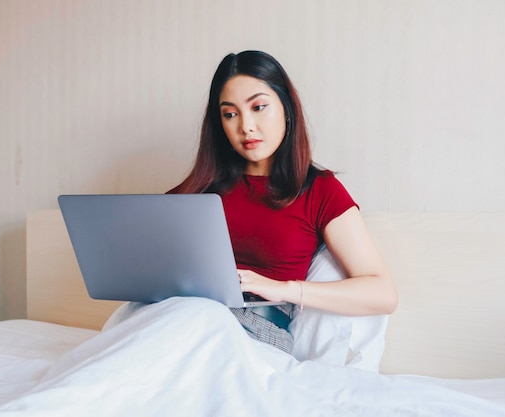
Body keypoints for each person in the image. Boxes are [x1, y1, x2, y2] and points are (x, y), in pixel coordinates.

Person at [168, 50, 398, 353]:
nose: (246, 126)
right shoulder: (198, 189)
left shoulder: (320, 189)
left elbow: (383, 294)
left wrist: (281, 289)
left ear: (286, 109)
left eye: (259, 107)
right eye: (230, 114)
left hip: (258, 327)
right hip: (183, 315)